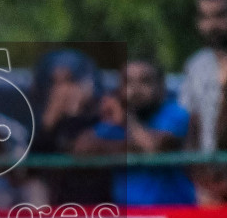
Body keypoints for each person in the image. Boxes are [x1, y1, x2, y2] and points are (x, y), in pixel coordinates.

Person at [79, 59, 194, 206]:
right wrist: (126, 148)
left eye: (145, 81)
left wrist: (126, 122)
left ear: (161, 86)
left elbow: (154, 148)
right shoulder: (115, 120)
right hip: (127, 216)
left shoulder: (175, 114)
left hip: (173, 213)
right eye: (128, 82)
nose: (135, 90)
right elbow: (82, 148)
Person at [179, 0, 227, 206]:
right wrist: (202, 178)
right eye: (205, 17)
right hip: (210, 186)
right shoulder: (196, 65)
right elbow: (191, 125)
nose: (213, 25)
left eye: (221, 16)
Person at [29, 48, 110, 205]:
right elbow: (30, 169)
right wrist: (50, 119)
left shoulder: (105, 117)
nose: (63, 90)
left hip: (100, 210)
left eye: (70, 81)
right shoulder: (42, 122)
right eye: (55, 83)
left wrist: (76, 113)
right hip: (57, 212)